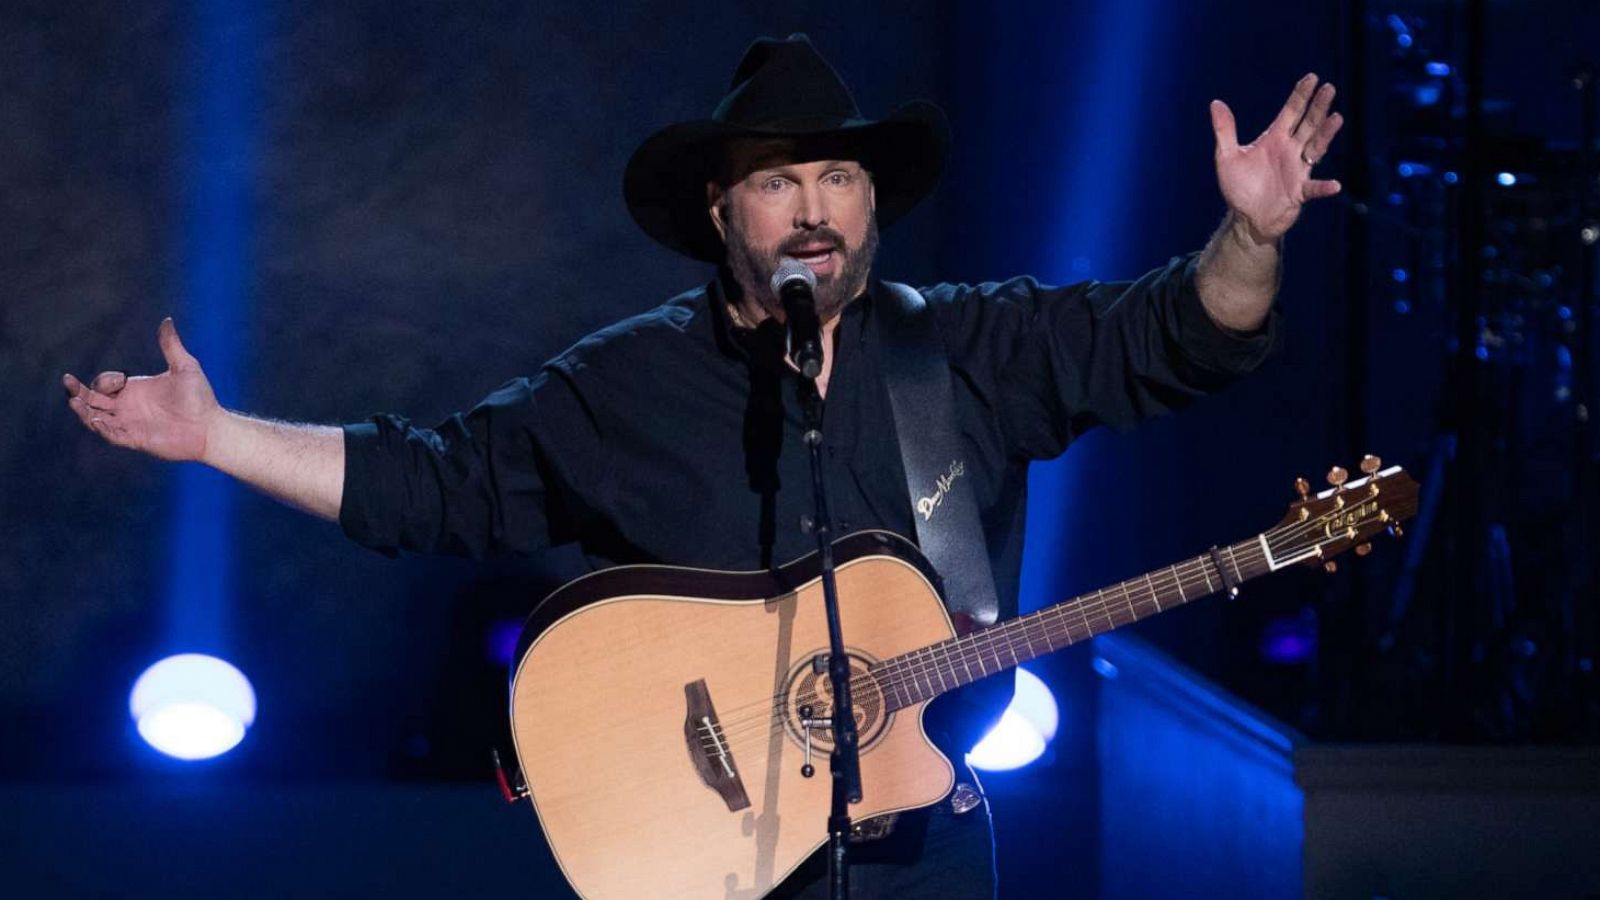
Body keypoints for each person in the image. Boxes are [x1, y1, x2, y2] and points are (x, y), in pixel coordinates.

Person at [63, 33, 1342, 900]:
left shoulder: (964, 349)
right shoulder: (624, 382)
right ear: (721, 215)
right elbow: (435, 483)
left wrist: (1249, 231)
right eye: (779, 180)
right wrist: (215, 435)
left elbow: (1178, 335)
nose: (816, 207)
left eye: (838, 173)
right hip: (700, 850)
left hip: (920, 854)